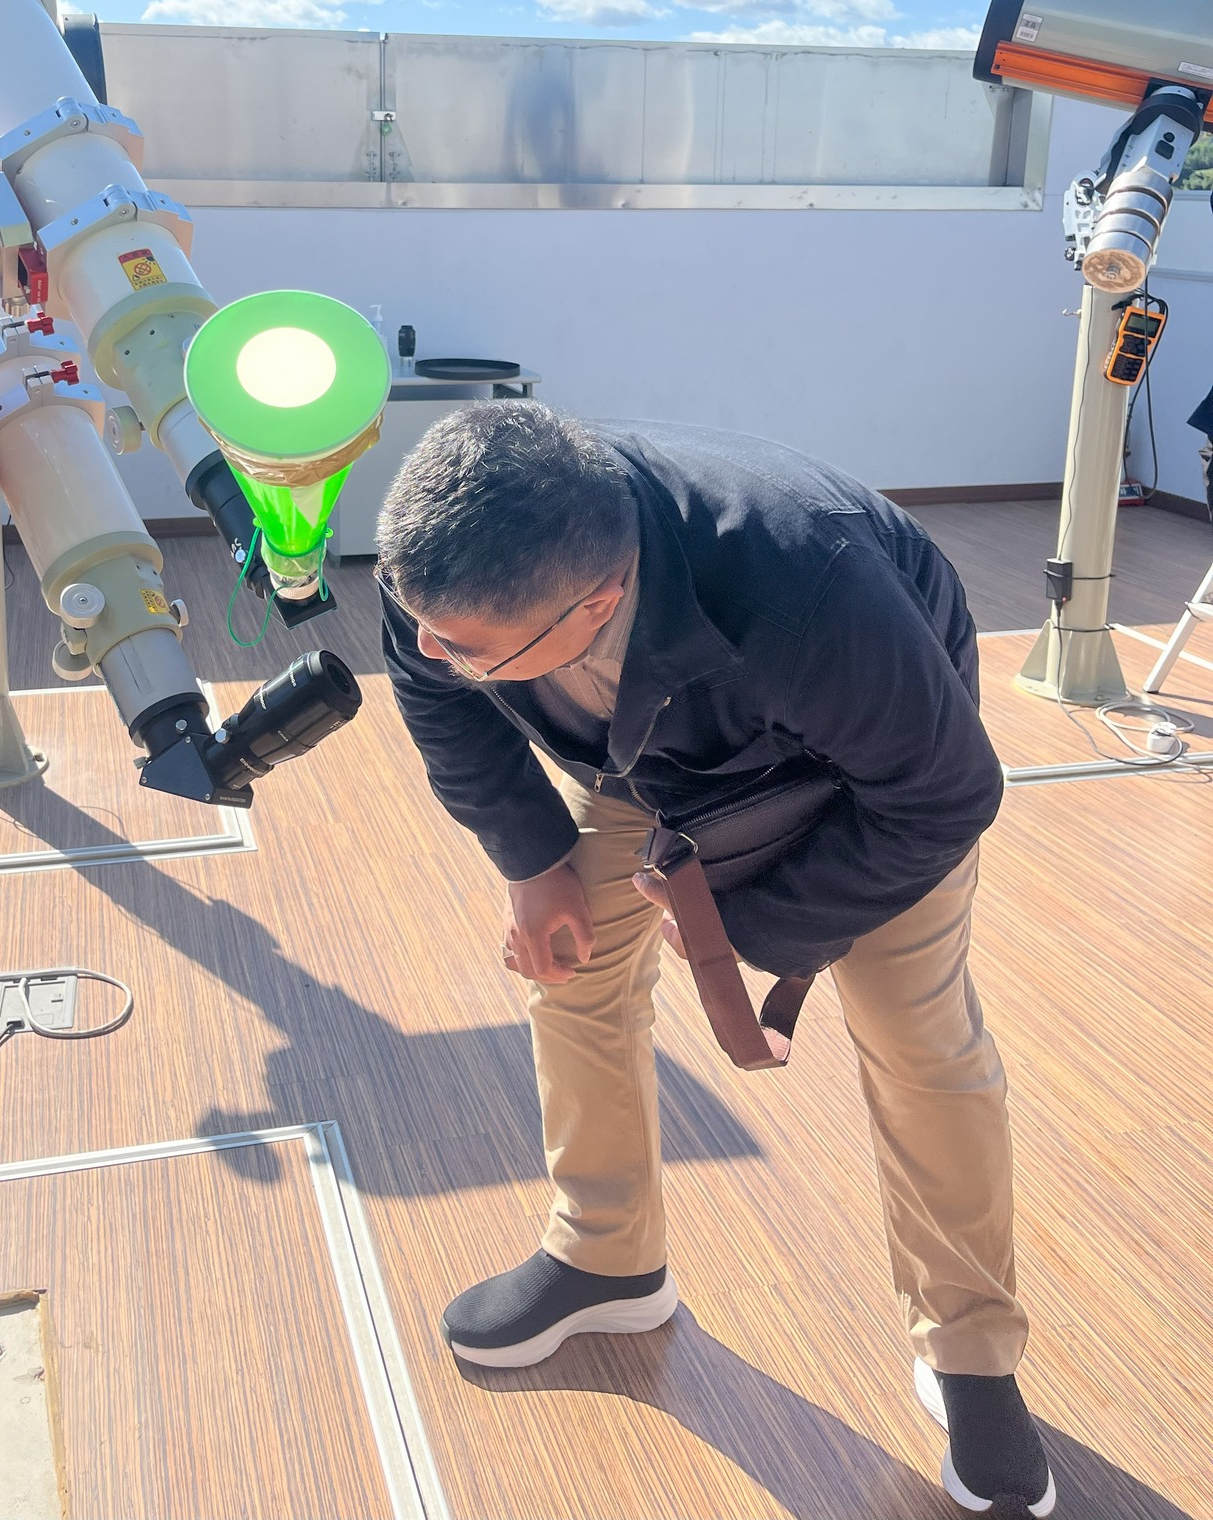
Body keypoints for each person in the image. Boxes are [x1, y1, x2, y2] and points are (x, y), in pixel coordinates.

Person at [376, 402, 1054, 1518]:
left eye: (469, 648)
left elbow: (946, 794)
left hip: (875, 785)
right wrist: (532, 858)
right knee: (568, 967)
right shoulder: (450, 574)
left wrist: (741, 929)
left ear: (597, 604)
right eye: (425, 626)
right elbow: (433, 688)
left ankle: (973, 1355)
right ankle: (606, 1255)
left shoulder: (810, 586)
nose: (433, 653)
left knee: (919, 1042)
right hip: (654, 757)